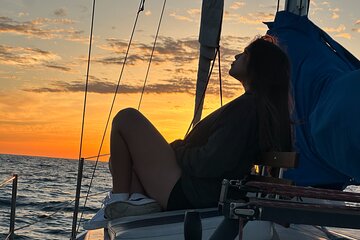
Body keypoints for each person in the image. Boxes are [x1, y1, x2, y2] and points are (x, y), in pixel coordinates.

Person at [84, 36, 292, 230]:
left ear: (258, 67)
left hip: (192, 193)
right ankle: (139, 201)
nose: (236, 57)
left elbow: (212, 161)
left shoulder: (246, 108)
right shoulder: (253, 107)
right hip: (198, 189)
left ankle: (118, 202)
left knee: (126, 118)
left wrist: (177, 151)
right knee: (120, 159)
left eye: (244, 54)